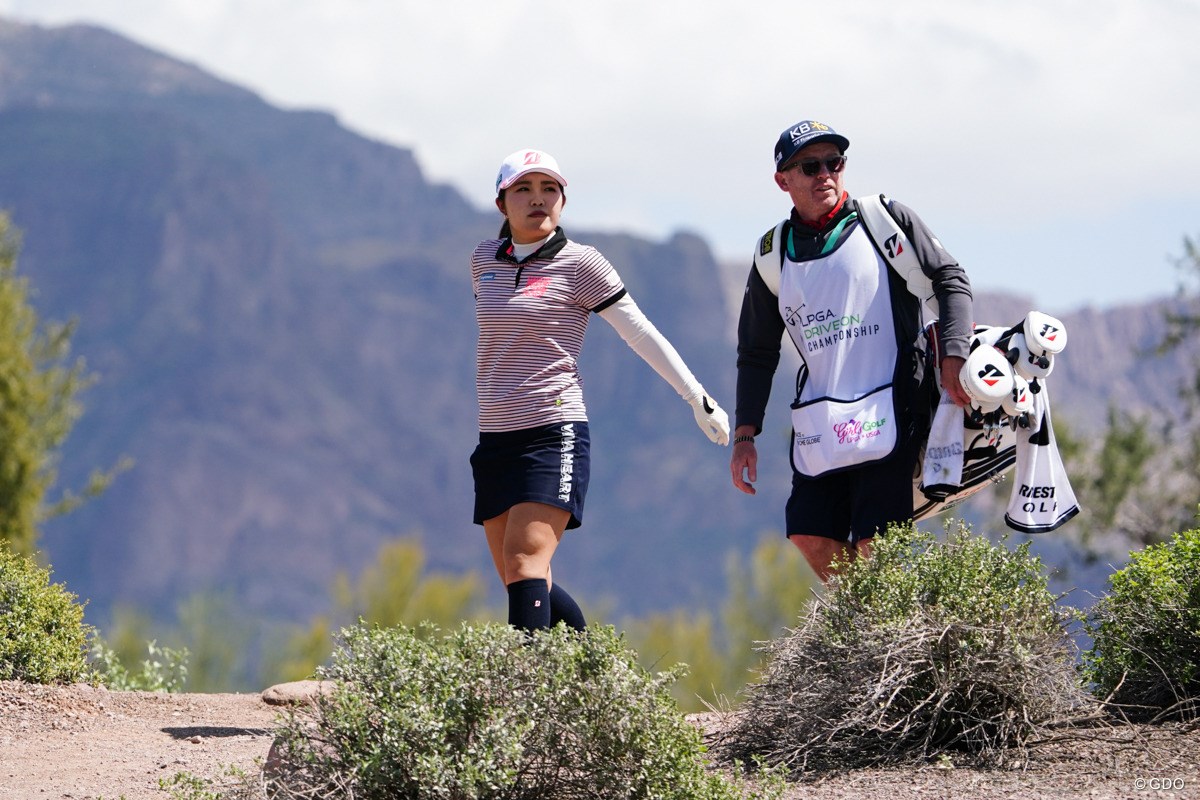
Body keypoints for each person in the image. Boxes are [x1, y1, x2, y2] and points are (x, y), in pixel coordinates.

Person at [472, 148, 730, 632]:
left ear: (563, 201)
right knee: (521, 574)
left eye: (550, 189)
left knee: (526, 560)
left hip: (553, 432)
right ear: (501, 202)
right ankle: (594, 672)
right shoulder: (483, 260)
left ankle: (526, 694)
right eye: (524, 189)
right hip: (495, 438)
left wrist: (697, 397)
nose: (538, 200)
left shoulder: (582, 264)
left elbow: (640, 333)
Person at [729, 120, 973, 582]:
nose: (825, 173)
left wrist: (953, 357)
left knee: (873, 543)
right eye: (809, 166)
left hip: (894, 397)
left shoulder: (882, 218)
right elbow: (756, 351)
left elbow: (951, 278)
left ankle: (881, 636)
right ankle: (870, 629)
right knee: (808, 533)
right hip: (822, 416)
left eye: (833, 162)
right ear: (783, 180)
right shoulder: (771, 253)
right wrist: (745, 435)